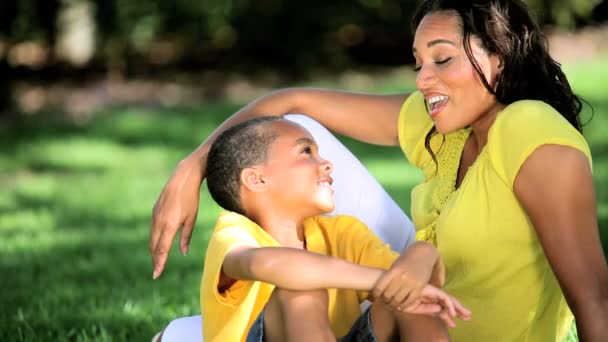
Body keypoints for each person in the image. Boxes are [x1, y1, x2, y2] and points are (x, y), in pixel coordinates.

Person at [150, 0, 608, 341]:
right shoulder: (444, 127)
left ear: (500, 56)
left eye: (442, 58)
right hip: (395, 309)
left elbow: (593, 296)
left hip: (444, 323)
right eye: (418, 63)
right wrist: (194, 165)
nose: (423, 79)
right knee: (292, 132)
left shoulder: (529, 127)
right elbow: (292, 103)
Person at [158, 116, 471, 342]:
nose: (327, 163)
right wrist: (380, 280)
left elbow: (410, 283)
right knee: (300, 290)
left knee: (409, 298)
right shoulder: (235, 232)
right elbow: (273, 265)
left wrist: (422, 253)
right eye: (306, 152)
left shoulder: (343, 233)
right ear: (256, 179)